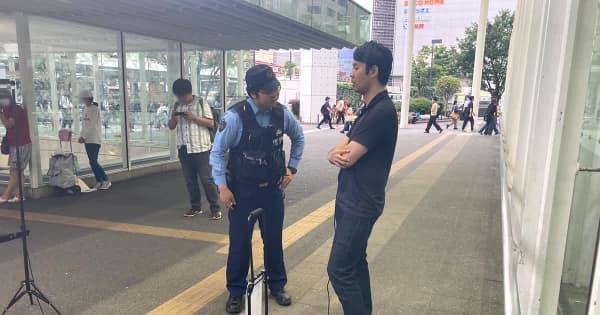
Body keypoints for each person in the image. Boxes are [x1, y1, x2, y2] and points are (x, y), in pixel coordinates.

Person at [210, 64, 305, 314]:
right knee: (240, 243)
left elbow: (299, 137)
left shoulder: (282, 114)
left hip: (272, 190)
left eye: (276, 89)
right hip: (242, 191)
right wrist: (222, 186)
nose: (275, 95)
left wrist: (291, 168)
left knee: (273, 240)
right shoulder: (234, 118)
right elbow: (218, 153)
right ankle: (236, 291)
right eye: (269, 91)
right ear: (253, 93)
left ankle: (277, 285)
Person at [326, 41, 397, 315]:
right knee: (355, 263)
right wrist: (336, 152)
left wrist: (338, 153)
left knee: (339, 269)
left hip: (360, 204)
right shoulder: (370, 108)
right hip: (354, 201)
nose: (350, 73)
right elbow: (339, 149)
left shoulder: (381, 112)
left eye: (356, 67)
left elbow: (347, 156)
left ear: (373, 71)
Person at [168, 79, 221, 220]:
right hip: (184, 148)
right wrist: (174, 118)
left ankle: (215, 207)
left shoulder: (201, 103)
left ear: (189, 92)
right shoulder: (176, 105)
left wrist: (194, 118)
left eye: (183, 96)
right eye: (179, 96)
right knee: (190, 180)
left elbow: (211, 123)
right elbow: (171, 126)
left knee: (206, 179)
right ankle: (195, 206)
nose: (181, 99)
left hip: (201, 148)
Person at [0, 89, 32, 203]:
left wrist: (1, 114)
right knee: (18, 171)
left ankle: (6, 195)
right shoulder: (9, 109)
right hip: (16, 143)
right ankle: (19, 195)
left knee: (15, 171)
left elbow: (9, 124)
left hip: (21, 144)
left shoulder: (15, 110)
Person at [78, 90, 111, 191]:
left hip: (94, 139)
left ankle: (105, 180)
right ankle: (99, 181)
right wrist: (81, 136)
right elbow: (84, 125)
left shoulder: (94, 109)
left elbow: (91, 125)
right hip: (88, 140)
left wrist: (84, 136)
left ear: (86, 99)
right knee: (92, 162)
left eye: (82, 98)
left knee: (93, 161)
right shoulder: (85, 109)